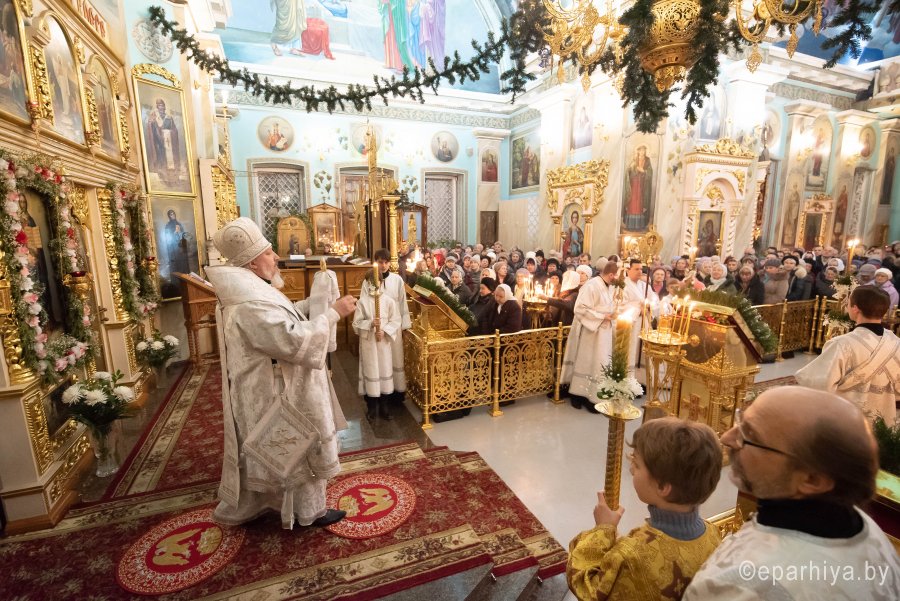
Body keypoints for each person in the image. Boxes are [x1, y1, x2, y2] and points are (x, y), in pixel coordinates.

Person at [207, 217, 357, 529]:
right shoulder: (248, 304)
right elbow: (292, 339)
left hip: (273, 383)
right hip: (276, 390)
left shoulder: (251, 291)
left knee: (286, 449)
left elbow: (283, 317)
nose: (276, 257)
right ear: (251, 263)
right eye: (268, 252)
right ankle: (308, 513)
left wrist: (312, 303)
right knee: (297, 448)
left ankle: (276, 503)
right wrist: (333, 313)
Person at [683, 387, 900, 600]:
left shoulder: (740, 586)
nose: (727, 438)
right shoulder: (868, 531)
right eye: (741, 421)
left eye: (749, 435)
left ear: (812, 480)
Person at [567, 417, 723, 601]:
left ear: (662, 486)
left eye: (637, 465)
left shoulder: (632, 556)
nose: (632, 470)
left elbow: (587, 587)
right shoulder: (714, 535)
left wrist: (602, 530)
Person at [796, 287, 899, 422]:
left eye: (848, 303)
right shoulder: (896, 343)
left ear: (855, 309)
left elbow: (820, 385)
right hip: (885, 423)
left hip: (848, 422)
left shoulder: (841, 344)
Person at [560, 262, 618, 412]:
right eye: (617, 276)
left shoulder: (610, 286)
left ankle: (595, 396)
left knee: (600, 364)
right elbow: (579, 308)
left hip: (604, 333)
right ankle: (578, 395)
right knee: (585, 363)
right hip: (590, 333)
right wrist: (602, 316)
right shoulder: (591, 285)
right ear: (611, 274)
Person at [354, 271, 402, 422]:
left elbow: (396, 320)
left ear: (381, 283)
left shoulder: (389, 301)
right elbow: (356, 324)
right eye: (370, 281)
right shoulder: (362, 302)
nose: (373, 284)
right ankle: (371, 408)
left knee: (384, 370)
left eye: (376, 281)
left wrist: (385, 331)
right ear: (366, 283)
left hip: (383, 343)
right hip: (369, 344)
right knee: (371, 371)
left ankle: (384, 407)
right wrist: (369, 324)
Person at [365, 249, 411, 405]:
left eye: (386, 262)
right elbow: (365, 303)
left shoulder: (397, 280)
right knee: (378, 361)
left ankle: (396, 394)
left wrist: (405, 326)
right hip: (376, 327)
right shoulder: (369, 280)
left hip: (393, 326)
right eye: (380, 262)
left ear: (390, 263)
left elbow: (402, 303)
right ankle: (377, 394)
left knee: (395, 358)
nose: (383, 265)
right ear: (375, 262)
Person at [146, 98, 182, 186]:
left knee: (170, 160)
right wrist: (152, 123)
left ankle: (172, 178)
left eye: (162, 105)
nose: (161, 107)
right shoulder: (155, 117)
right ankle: (163, 177)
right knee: (162, 159)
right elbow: (151, 129)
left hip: (169, 143)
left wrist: (169, 133)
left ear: (165, 107)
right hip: (160, 145)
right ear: (157, 107)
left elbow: (174, 130)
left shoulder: (169, 118)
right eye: (159, 106)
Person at [623, 145, 653, 231]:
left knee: (640, 203)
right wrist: (632, 169)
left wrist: (643, 171)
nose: (642, 152)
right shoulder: (634, 159)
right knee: (632, 202)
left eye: (643, 150)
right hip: (634, 184)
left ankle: (639, 225)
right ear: (638, 151)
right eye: (640, 150)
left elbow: (650, 172)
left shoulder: (647, 160)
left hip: (642, 185)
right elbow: (629, 170)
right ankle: (630, 225)